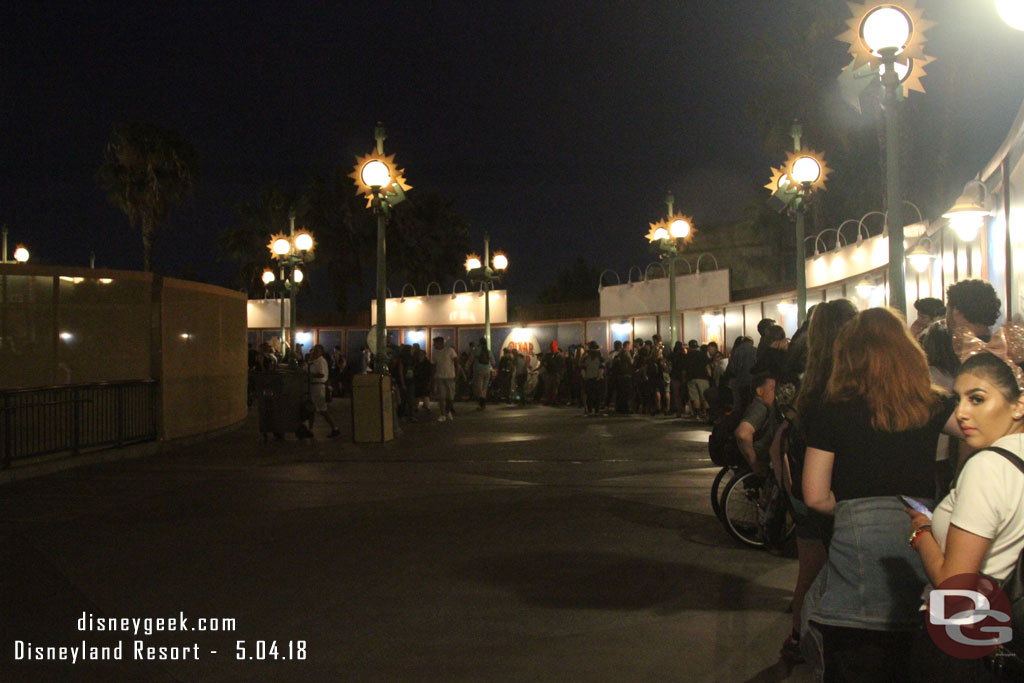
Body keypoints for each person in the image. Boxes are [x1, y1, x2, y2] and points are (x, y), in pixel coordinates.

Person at [800, 308, 959, 681]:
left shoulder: (832, 409)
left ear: (849, 356)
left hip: (858, 541)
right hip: (921, 531)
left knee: (855, 653)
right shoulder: (932, 403)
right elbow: (983, 431)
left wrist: (853, 508)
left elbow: (814, 495)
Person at [906, 352, 1024, 682]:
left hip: (957, 638)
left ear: (1019, 405)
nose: (961, 413)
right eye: (958, 400)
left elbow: (954, 588)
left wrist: (921, 530)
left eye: (977, 399)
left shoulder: (987, 467)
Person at [770, 299, 857, 663]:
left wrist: (785, 486)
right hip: (836, 489)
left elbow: (779, 440)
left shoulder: (803, 381)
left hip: (800, 483)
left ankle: (797, 637)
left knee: (809, 566)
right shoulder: (848, 383)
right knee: (844, 566)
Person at [734, 372, 777, 477]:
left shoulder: (760, 406)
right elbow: (742, 434)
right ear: (759, 391)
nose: (775, 393)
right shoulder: (759, 408)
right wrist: (754, 463)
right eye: (772, 389)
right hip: (763, 458)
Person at [306, 344, 340, 438]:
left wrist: (310, 375)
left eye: (317, 350)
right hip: (313, 387)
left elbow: (322, 375)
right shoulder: (314, 361)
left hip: (318, 387)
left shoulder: (321, 361)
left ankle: (334, 428)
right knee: (312, 409)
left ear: (321, 352)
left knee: (322, 409)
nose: (315, 352)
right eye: (314, 350)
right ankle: (310, 429)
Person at [432, 336, 461, 422]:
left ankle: (448, 411)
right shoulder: (435, 353)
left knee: (450, 397)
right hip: (440, 377)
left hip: (450, 376)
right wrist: (433, 378)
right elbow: (434, 365)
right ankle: (443, 414)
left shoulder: (450, 351)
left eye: (435, 343)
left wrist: (457, 374)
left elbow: (456, 363)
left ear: (440, 343)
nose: (434, 345)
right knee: (442, 397)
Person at [684, 340, 711, 420]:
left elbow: (684, 369)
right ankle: (706, 414)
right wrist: (709, 376)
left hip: (691, 378)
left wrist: (684, 378)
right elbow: (707, 366)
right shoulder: (702, 354)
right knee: (704, 397)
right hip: (703, 377)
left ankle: (698, 414)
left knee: (695, 398)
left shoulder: (687, 355)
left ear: (690, 347)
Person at [581, 341, 604, 416]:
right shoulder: (600, 357)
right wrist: (599, 376)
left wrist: (584, 377)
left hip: (588, 378)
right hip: (597, 379)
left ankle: (590, 410)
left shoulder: (586, 358)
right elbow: (601, 368)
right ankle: (597, 411)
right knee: (597, 396)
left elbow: (583, 368)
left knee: (589, 395)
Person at [473, 338, 493, 410]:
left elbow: (471, 359)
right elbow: (493, 362)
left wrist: (467, 366)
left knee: (479, 387)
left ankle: (481, 403)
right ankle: (483, 404)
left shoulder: (477, 350)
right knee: (485, 387)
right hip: (487, 370)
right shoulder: (488, 351)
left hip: (479, 370)